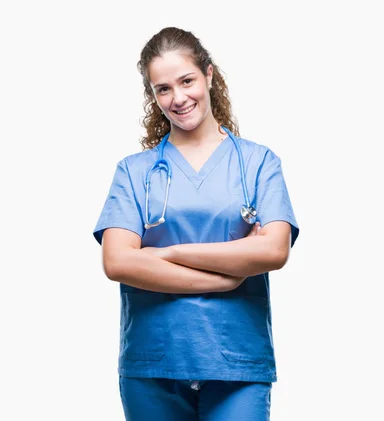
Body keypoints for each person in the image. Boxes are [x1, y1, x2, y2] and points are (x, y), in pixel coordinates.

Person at [93, 26, 299, 421]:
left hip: (236, 361)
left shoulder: (258, 163)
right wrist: (226, 275)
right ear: (153, 97)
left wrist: (167, 252)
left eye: (186, 80)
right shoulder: (133, 172)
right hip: (153, 364)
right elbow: (117, 263)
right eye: (163, 89)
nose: (178, 97)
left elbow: (274, 250)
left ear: (208, 75)